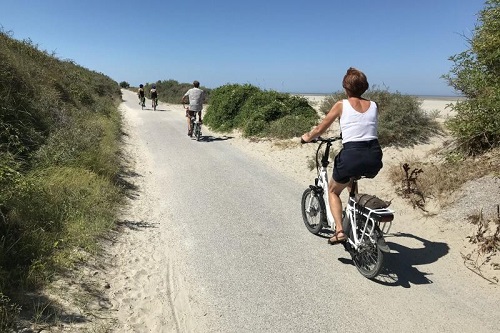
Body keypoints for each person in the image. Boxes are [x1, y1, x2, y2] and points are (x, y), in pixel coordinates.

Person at [301, 67, 383, 245]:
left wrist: (307, 137)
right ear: (364, 87)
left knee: (332, 190)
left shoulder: (341, 105)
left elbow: (320, 129)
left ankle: (339, 231)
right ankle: (355, 213)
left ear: (345, 87)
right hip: (375, 156)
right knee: (350, 178)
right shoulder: (374, 105)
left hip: (352, 154)